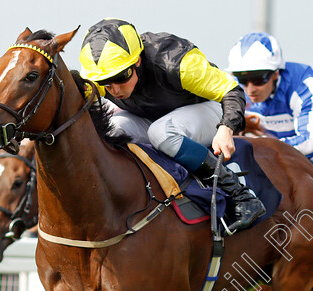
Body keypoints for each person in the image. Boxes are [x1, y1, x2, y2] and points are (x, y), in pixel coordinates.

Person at [79, 19, 264, 233]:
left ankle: (241, 195)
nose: (114, 89)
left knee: (161, 132)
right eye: (105, 83)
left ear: (137, 61)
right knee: (112, 129)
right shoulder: (99, 79)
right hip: (155, 117)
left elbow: (232, 90)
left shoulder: (174, 61)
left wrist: (226, 128)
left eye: (121, 77)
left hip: (207, 109)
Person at [226, 32, 313, 176]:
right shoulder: (234, 87)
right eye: (242, 79)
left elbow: (310, 144)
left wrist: (260, 147)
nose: (250, 89)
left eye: (258, 79)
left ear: (276, 74)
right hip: (269, 143)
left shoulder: (304, 84)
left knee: (292, 166)